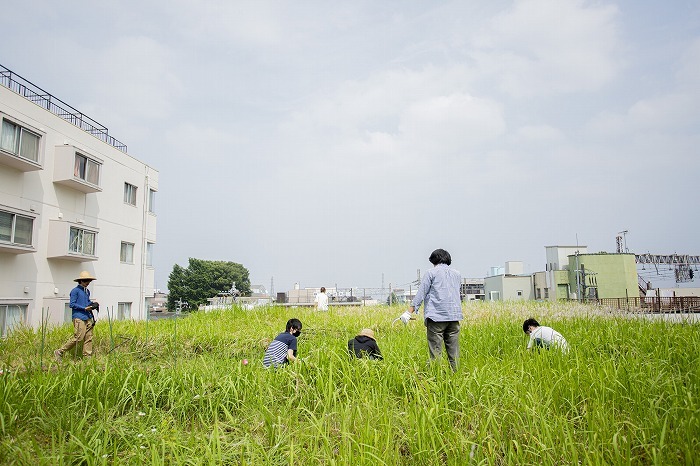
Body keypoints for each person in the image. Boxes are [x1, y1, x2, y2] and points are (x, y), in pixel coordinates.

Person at [409, 249, 463, 371]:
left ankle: (436, 379)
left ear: (434, 260)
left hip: (436, 317)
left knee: (435, 352)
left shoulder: (431, 272)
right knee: (454, 353)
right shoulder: (457, 274)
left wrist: (409, 312)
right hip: (454, 317)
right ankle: (456, 378)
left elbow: (421, 292)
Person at [54, 271, 99, 362]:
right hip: (79, 317)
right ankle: (60, 351)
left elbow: (87, 302)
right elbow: (72, 304)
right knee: (79, 337)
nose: (88, 283)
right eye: (86, 281)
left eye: (89, 281)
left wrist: (93, 304)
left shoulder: (87, 291)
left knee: (89, 337)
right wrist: (84, 308)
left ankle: (87, 357)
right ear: (81, 281)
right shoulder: (75, 291)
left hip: (88, 317)